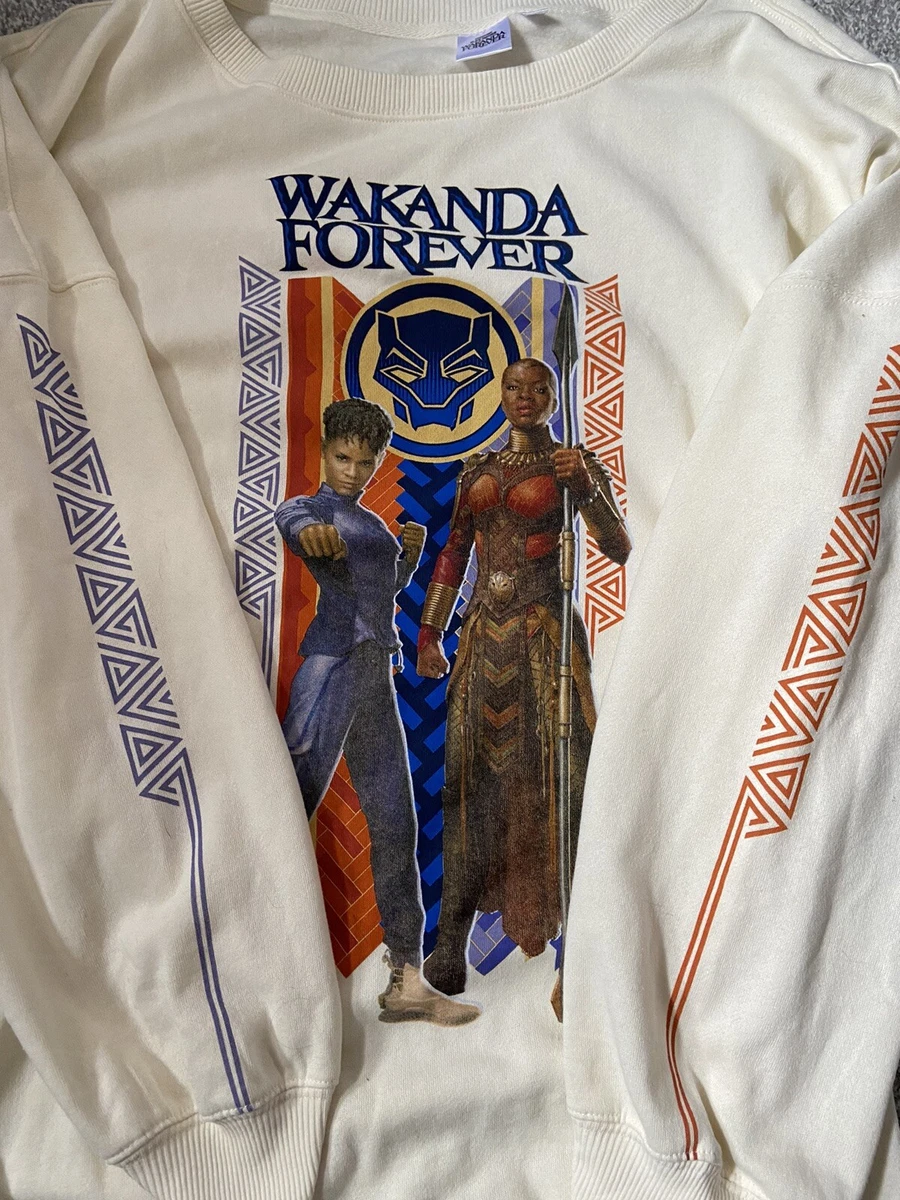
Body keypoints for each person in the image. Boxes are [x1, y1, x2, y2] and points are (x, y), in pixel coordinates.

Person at [416, 359, 631, 1016]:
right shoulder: (477, 470)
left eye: (539, 389)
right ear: (501, 394)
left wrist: (587, 490)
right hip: (483, 636)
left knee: (565, 781)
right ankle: (449, 938)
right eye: (515, 387)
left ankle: (579, 948)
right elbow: (454, 552)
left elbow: (618, 546)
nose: (526, 398)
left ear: (552, 398)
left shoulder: (571, 465)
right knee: (466, 779)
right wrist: (430, 632)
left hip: (545, 637)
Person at [275, 397, 479, 1027]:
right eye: (343, 458)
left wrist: (407, 558)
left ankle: (407, 980)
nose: (353, 472)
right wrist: (307, 532)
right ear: (324, 452)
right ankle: (243, 953)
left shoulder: (372, 524)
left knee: (395, 822)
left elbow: (380, 593)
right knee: (288, 804)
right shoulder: (311, 509)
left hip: (373, 676)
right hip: (331, 667)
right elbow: (292, 519)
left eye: (366, 462)